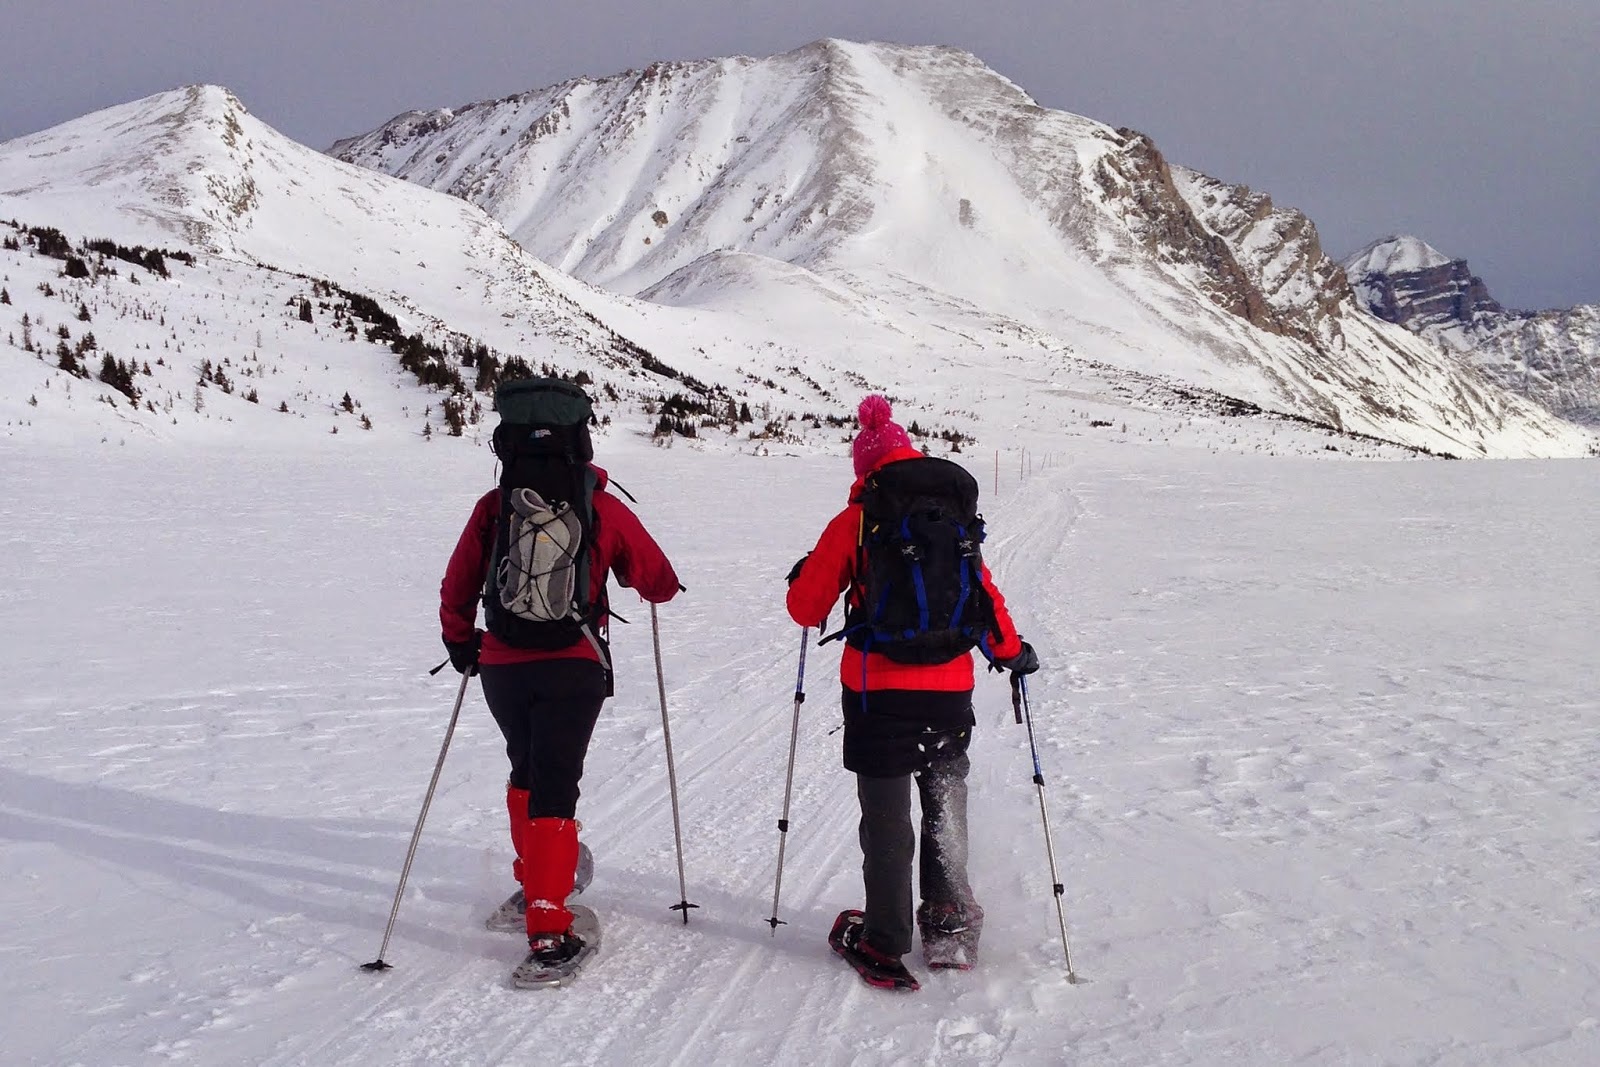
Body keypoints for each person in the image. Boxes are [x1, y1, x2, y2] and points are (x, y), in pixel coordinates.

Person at [785, 395, 1038, 988]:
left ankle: (885, 938)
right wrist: (1011, 653)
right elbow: (984, 597)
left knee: (888, 818)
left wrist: (809, 572)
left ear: (864, 469)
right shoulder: (953, 521)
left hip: (877, 695)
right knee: (945, 800)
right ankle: (949, 925)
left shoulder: (856, 520)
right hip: (949, 690)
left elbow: (805, 608)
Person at [439, 383, 680, 971]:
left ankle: (534, 883)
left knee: (526, 772)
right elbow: (658, 580)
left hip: (500, 663)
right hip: (574, 663)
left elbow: (457, 586)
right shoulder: (601, 506)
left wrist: (459, 642)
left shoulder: (495, 507)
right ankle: (549, 928)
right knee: (556, 788)